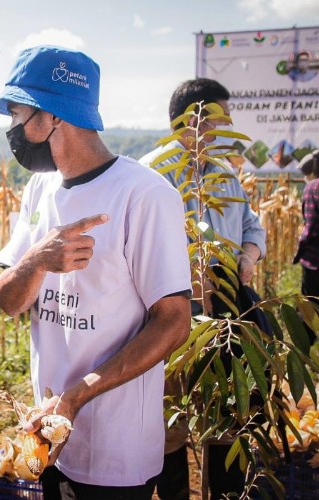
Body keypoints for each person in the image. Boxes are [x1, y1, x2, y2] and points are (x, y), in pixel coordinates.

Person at [0, 45, 192, 500]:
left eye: (17, 114)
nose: (12, 130)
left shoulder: (144, 195)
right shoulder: (39, 188)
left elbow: (174, 321)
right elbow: (8, 301)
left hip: (115, 444)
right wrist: (37, 259)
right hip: (47, 432)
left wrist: (78, 396)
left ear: (51, 118)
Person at [139, 77, 268, 500]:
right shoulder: (152, 172)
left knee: (228, 410)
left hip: (226, 312)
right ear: (193, 119)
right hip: (171, 311)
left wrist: (248, 255)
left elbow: (251, 224)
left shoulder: (225, 174)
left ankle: (225, 491)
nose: (228, 126)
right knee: (171, 417)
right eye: (222, 117)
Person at [295, 149, 319, 344]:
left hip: (314, 262)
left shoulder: (313, 188)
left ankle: (303, 356)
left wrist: (300, 245)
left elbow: (310, 228)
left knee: (309, 311)